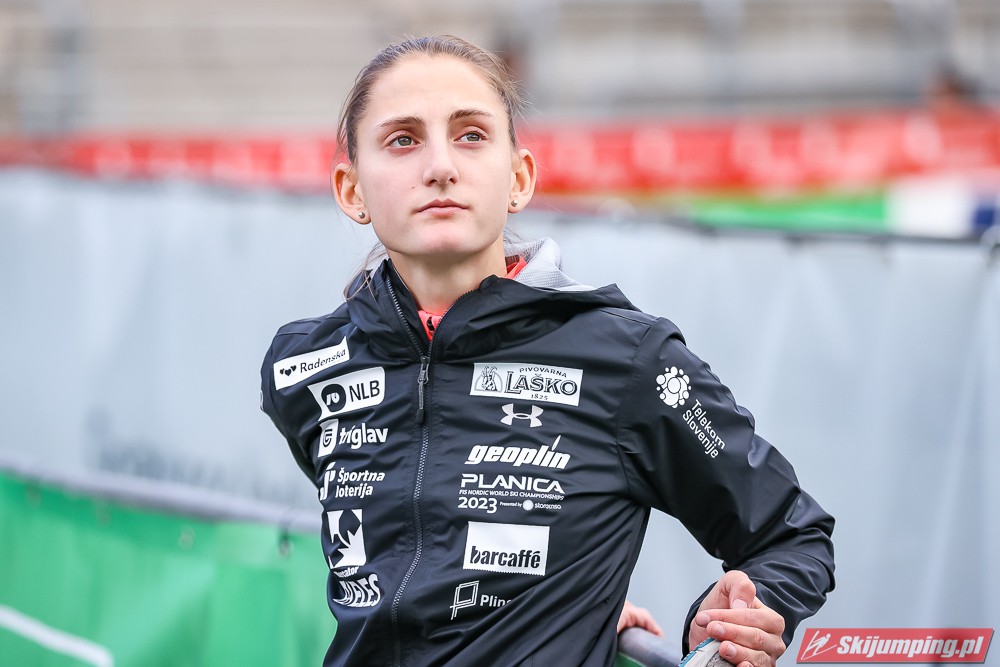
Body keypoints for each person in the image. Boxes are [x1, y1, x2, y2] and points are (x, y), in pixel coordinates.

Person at [260, 35, 835, 667]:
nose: (440, 167)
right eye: (403, 140)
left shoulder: (630, 360)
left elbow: (792, 535)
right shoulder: (302, 369)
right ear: (351, 191)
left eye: (471, 135)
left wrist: (743, 612)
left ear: (519, 178)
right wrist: (565, 593)